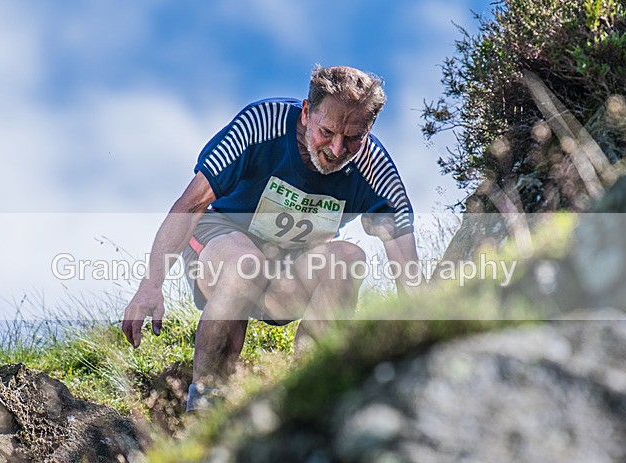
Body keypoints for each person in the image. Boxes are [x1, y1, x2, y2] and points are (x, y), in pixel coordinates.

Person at [122, 65, 418, 411]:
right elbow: (191, 203)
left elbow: (407, 268)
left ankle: (307, 395)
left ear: (369, 129)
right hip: (222, 248)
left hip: (289, 274)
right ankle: (204, 403)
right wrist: (150, 285)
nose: (337, 149)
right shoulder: (262, 124)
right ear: (307, 113)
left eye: (353, 138)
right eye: (327, 132)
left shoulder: (374, 168)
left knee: (349, 259)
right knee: (246, 265)